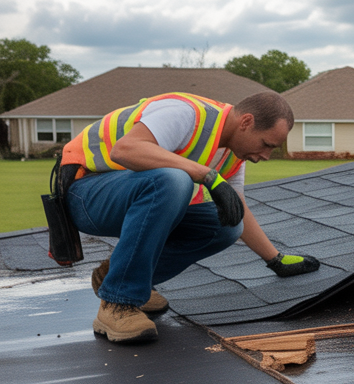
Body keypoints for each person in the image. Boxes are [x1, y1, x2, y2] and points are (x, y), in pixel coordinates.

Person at [59, 90, 321, 344]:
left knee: (226, 226)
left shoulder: (231, 154)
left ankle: (118, 276)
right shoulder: (186, 114)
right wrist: (205, 174)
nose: (265, 156)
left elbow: (237, 209)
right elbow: (124, 150)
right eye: (266, 144)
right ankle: (118, 303)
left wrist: (275, 260)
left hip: (127, 197)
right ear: (246, 122)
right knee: (174, 179)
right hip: (86, 193)